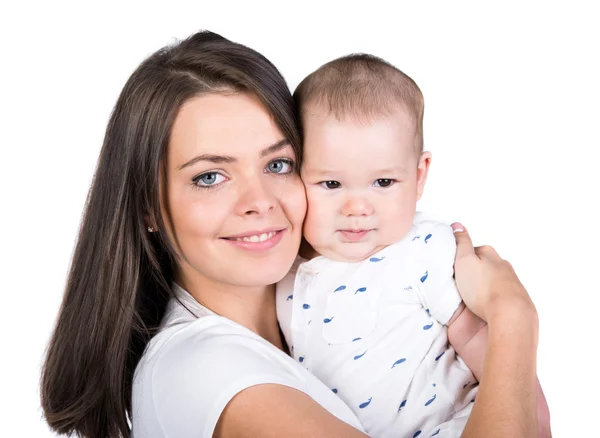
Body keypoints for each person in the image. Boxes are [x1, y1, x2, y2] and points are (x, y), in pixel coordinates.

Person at [40, 30, 544, 438]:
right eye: (210, 176)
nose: (260, 200)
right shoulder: (206, 371)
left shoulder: (323, 301)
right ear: (149, 205)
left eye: (278, 163)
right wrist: (515, 319)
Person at [276, 54, 551, 437]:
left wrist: (534, 419)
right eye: (331, 184)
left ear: (419, 175)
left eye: (384, 183)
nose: (357, 208)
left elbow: (479, 340)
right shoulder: (282, 265)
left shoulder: (424, 249)